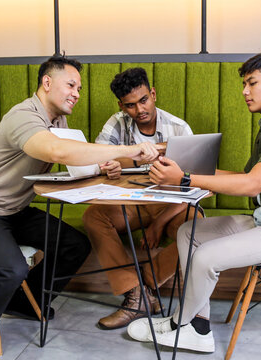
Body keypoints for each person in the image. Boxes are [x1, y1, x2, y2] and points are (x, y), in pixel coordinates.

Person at [0, 56, 160, 358]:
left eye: (79, 87)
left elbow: (72, 159)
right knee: (11, 269)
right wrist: (132, 151)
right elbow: (56, 150)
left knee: (74, 245)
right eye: (71, 85)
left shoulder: (58, 120)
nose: (77, 92)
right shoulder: (23, 116)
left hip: (15, 211)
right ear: (47, 83)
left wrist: (103, 165)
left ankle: (22, 303)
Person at [126, 52, 261, 353]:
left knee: (206, 256)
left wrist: (184, 179)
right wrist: (182, 168)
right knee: (187, 232)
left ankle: (181, 323)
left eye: (252, 83)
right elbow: (245, 176)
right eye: (244, 84)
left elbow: (252, 185)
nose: (245, 91)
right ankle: (198, 325)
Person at [82, 67, 202, 330]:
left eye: (144, 100)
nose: (139, 110)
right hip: (131, 201)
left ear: (154, 94)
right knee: (93, 216)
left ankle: (144, 285)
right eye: (131, 105)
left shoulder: (179, 128)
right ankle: (135, 293)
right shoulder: (116, 123)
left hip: (172, 204)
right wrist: (107, 165)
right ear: (121, 106)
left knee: (198, 225)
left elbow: (193, 188)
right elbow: (97, 157)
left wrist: (158, 225)